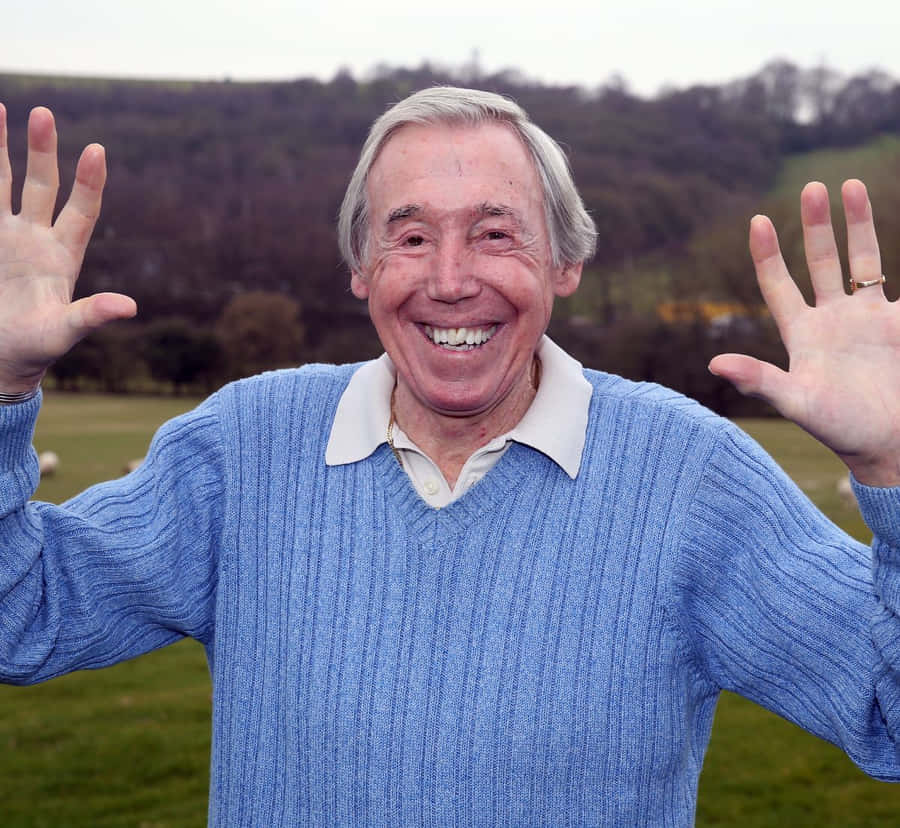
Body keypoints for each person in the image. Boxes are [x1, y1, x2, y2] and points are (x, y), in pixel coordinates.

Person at [0, 87, 898, 826]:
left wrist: (895, 468)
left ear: (564, 262)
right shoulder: (244, 451)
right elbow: (20, 615)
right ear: (360, 265)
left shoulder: (691, 480)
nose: (449, 279)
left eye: (496, 232)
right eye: (411, 234)